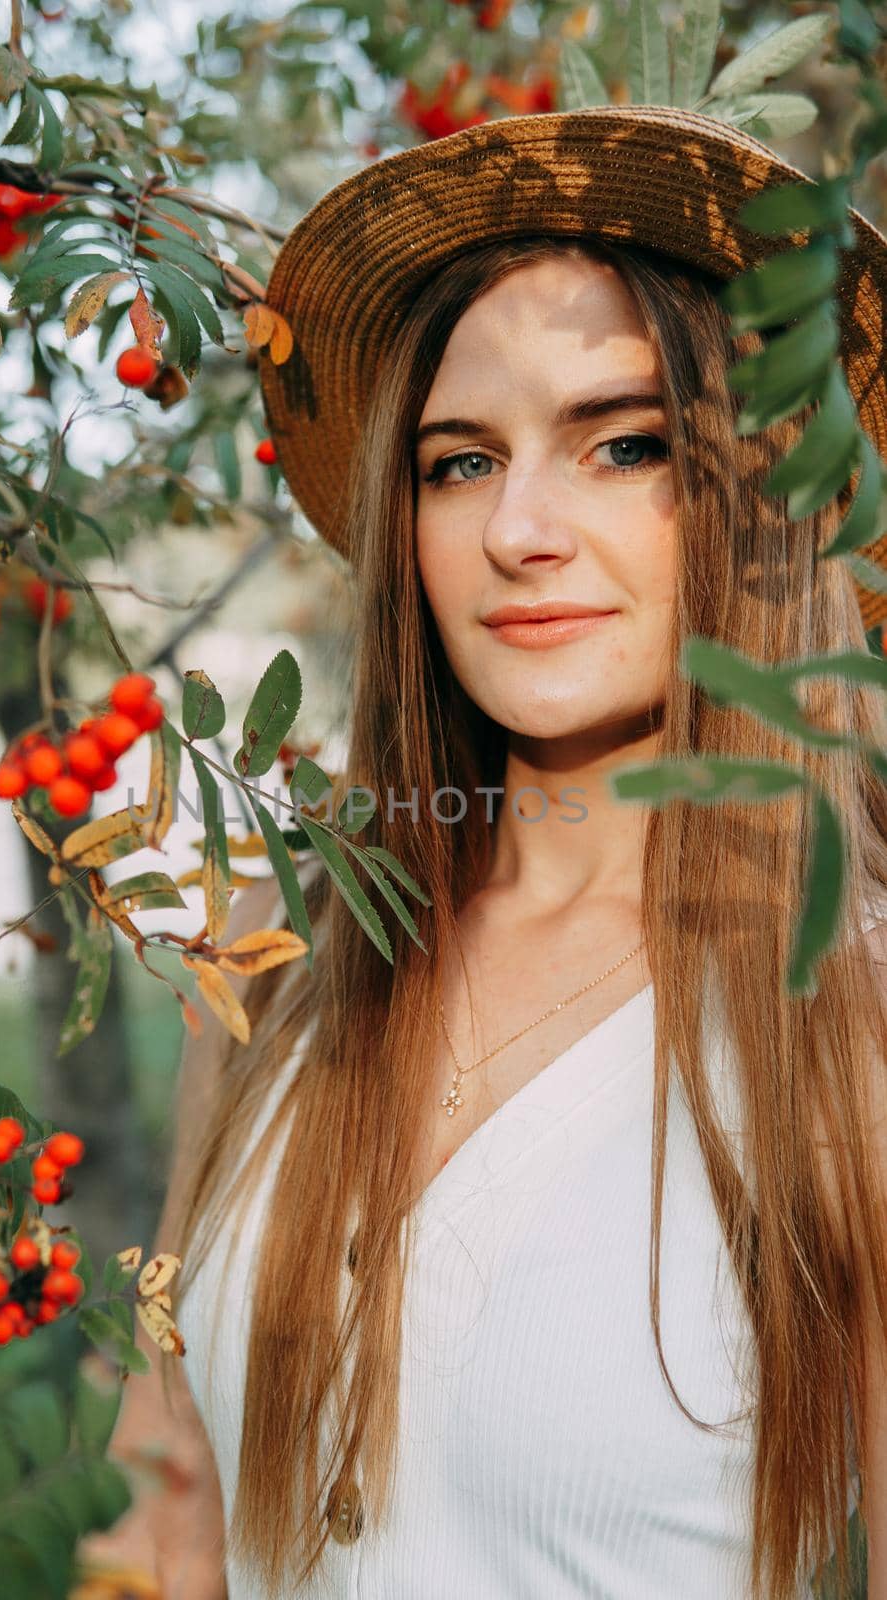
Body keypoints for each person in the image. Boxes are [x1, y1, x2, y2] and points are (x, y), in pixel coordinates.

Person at [90, 107, 887, 1600]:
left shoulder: (852, 1028)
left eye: (626, 443)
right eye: (460, 463)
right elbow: (171, 1504)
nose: (520, 527)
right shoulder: (286, 941)